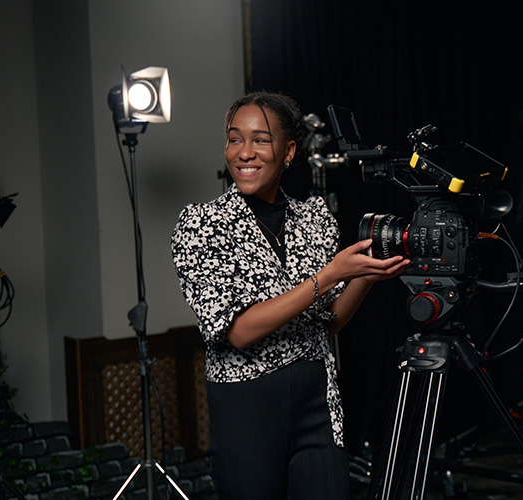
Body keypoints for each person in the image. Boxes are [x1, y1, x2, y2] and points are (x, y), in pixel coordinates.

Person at [171, 91, 410, 500]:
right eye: (234, 139)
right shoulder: (201, 224)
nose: (244, 152)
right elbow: (240, 331)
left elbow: (329, 321)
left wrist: (365, 277)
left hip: (318, 402)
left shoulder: (315, 219)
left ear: (289, 151)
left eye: (261, 139)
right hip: (246, 409)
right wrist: (329, 274)